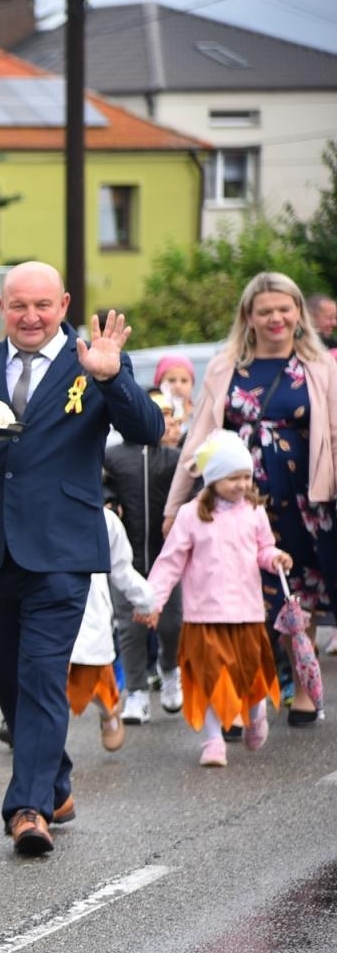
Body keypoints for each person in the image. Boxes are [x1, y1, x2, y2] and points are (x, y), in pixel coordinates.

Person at [0, 261, 164, 856]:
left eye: (42, 306)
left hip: (61, 550)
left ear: (62, 304)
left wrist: (112, 380)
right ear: (2, 309)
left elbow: (148, 429)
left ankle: (28, 809)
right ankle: (54, 782)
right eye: (18, 306)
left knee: (40, 677)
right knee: (12, 683)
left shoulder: (95, 360)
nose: (30, 317)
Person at [164, 271, 337, 727]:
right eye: (266, 311)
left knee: (296, 591)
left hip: (304, 501)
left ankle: (302, 684)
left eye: (285, 309)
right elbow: (198, 438)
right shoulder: (226, 367)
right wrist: (174, 506)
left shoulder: (321, 368)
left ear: (299, 313)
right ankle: (241, 694)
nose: (276, 318)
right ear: (249, 317)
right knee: (239, 593)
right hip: (236, 503)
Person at [142, 432, 290, 765]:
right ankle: (213, 742)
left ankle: (256, 715)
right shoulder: (191, 515)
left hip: (247, 612)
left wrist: (275, 556)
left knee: (250, 674)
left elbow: (264, 548)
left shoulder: (253, 511)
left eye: (246, 476)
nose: (241, 484)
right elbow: (170, 561)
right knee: (210, 678)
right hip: (204, 615)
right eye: (232, 477)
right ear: (212, 480)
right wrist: (152, 601)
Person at [105, 391, 187, 723]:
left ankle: (169, 668)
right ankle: (136, 691)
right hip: (127, 558)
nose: (162, 419)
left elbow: (192, 488)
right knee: (129, 626)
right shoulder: (111, 455)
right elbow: (97, 484)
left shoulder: (173, 458)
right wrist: (108, 499)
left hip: (166, 556)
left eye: (167, 413)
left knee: (171, 623)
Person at [67, 499, 154, 757]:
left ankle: (108, 708)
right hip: (44, 612)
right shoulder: (34, 509)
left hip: (89, 612)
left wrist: (146, 601)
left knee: (91, 680)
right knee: (49, 685)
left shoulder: (102, 519)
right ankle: (48, 757)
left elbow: (121, 569)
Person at [153, 353, 197, 427]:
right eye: (171, 380)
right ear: (159, 384)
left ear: (192, 384)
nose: (178, 386)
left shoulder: (201, 415)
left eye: (184, 381)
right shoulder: (153, 417)